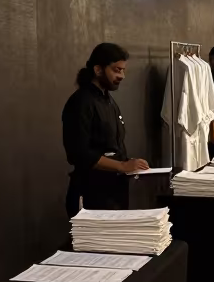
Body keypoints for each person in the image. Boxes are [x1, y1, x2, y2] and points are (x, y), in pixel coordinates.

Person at [61, 43, 150, 217]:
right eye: (117, 70)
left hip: (114, 191)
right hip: (90, 193)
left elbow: (112, 146)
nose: (122, 76)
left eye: (123, 70)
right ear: (98, 69)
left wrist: (130, 162)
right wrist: (122, 165)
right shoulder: (81, 102)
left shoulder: (109, 101)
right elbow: (79, 154)